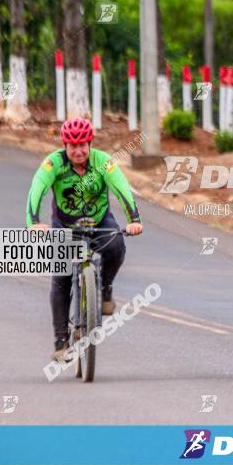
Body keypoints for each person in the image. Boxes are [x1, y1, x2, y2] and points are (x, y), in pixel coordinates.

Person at [26, 117, 143, 361]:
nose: (78, 151)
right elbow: (37, 187)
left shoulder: (103, 162)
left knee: (116, 245)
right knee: (62, 278)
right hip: (64, 225)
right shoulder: (53, 163)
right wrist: (33, 222)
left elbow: (120, 185)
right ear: (65, 146)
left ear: (90, 144)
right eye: (72, 146)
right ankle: (60, 343)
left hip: (99, 221)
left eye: (83, 145)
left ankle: (105, 288)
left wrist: (134, 218)